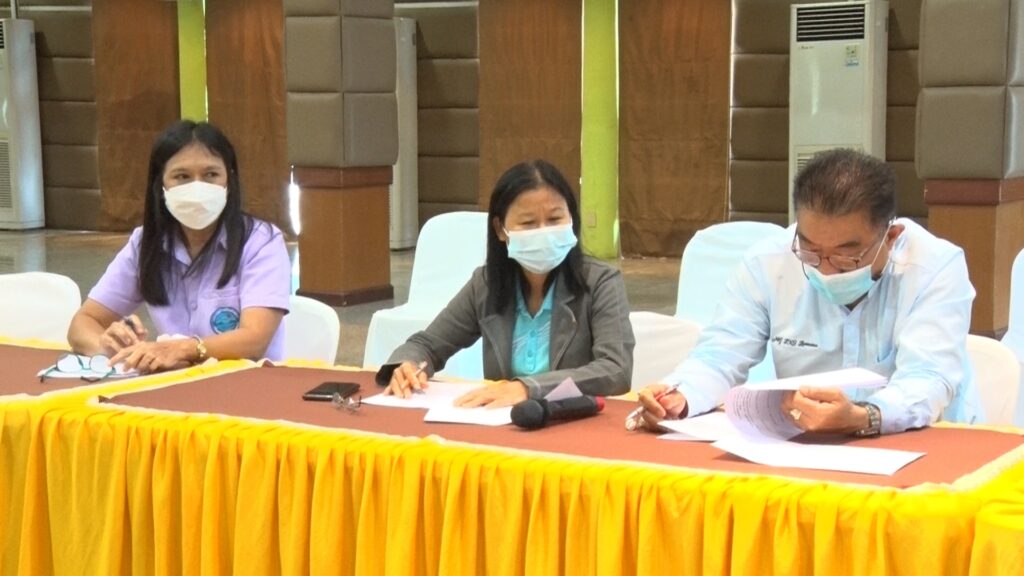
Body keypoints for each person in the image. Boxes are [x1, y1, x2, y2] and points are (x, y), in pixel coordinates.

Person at [637, 148, 982, 435]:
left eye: (847, 258)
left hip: (922, 440)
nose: (826, 270)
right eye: (811, 252)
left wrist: (865, 416)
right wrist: (680, 396)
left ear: (890, 238)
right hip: (804, 443)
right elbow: (720, 355)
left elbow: (927, 377)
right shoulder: (768, 262)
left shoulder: (934, 267)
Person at [382, 159, 634, 407]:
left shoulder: (600, 282)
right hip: (503, 423)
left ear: (572, 220)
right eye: (528, 223)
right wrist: (408, 364)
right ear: (500, 229)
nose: (543, 232)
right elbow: (427, 345)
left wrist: (528, 388)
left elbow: (616, 369)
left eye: (555, 219)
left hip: (575, 420)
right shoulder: (486, 285)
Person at [67, 120, 291, 373]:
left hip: (246, 382)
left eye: (211, 175)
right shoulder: (145, 243)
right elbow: (83, 323)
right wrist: (109, 348)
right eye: (182, 177)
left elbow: (255, 340)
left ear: (230, 180)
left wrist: (184, 349)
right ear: (161, 185)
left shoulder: (261, 242)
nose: (197, 188)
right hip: (171, 383)